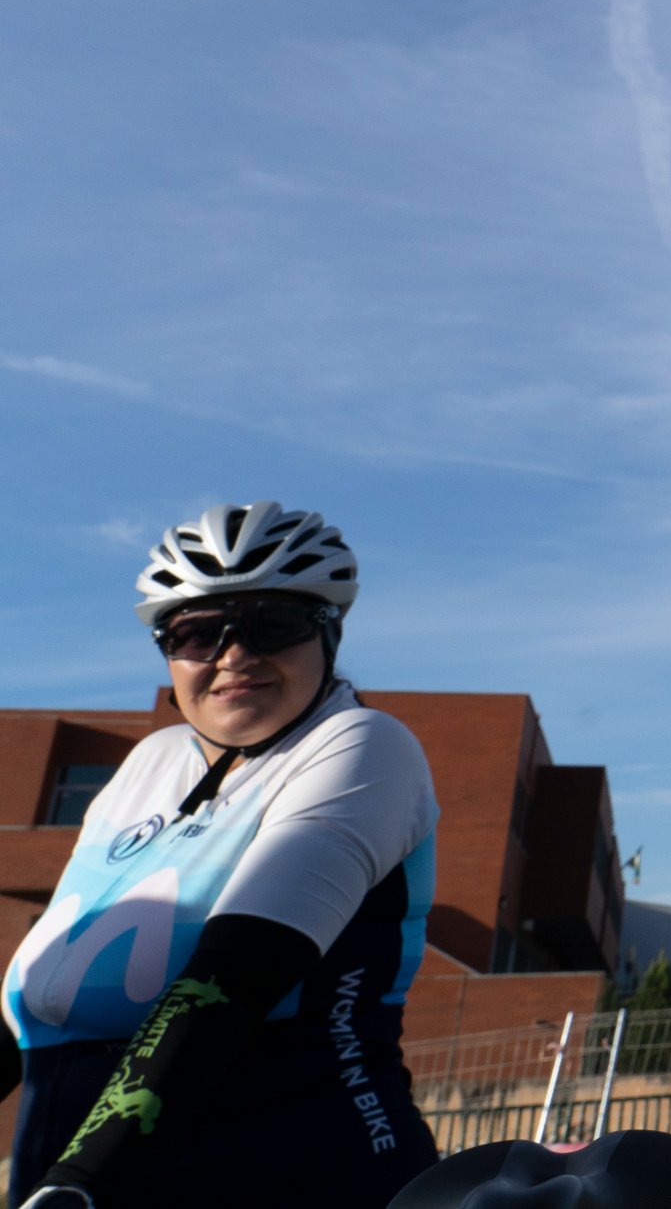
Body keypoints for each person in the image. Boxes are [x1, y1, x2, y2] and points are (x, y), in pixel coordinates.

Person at [2, 503, 439, 1209]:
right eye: (197, 634)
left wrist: (76, 1186)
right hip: (88, 1173)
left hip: (298, 1168)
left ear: (329, 632)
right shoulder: (152, 762)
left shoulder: (363, 744)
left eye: (272, 625)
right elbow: (46, 984)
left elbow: (227, 982)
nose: (235, 656)